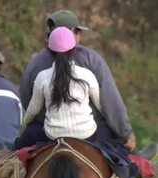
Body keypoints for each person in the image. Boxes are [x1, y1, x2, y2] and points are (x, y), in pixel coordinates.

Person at [15, 10, 157, 159]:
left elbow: (27, 101)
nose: (79, 37)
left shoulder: (35, 66)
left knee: (21, 146)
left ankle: (6, 154)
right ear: (71, 33)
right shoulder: (91, 61)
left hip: (48, 133)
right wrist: (126, 133)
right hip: (88, 133)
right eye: (77, 32)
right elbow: (108, 103)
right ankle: (135, 157)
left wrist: (35, 122)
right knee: (118, 144)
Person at [24, 27, 100, 142]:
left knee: (27, 136)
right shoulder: (87, 75)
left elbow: (33, 110)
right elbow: (100, 106)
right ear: (74, 49)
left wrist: (26, 122)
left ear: (50, 52)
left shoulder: (42, 77)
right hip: (86, 133)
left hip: (53, 135)